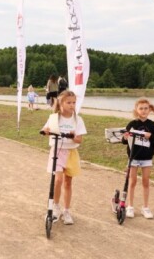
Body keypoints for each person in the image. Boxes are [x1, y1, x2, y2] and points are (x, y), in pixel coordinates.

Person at [41, 90, 87, 225]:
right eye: (69, 102)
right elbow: (45, 130)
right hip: (57, 151)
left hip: (71, 153)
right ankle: (55, 207)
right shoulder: (54, 118)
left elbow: (80, 140)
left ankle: (66, 210)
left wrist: (74, 136)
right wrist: (45, 132)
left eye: (74, 103)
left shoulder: (78, 119)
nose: (72, 105)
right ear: (61, 103)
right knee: (58, 180)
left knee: (68, 182)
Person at [121, 98, 154, 219]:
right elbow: (124, 141)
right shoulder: (132, 124)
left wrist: (150, 136)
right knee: (132, 182)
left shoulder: (152, 125)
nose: (143, 111)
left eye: (146, 108)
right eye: (141, 108)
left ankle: (145, 207)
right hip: (133, 157)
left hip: (147, 158)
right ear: (136, 110)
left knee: (145, 182)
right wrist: (125, 137)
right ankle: (130, 206)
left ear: (150, 110)